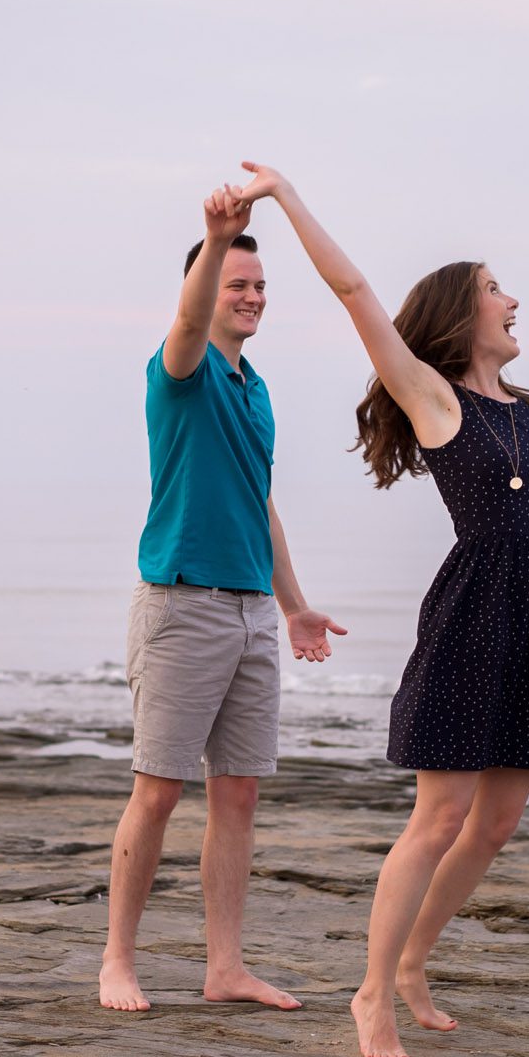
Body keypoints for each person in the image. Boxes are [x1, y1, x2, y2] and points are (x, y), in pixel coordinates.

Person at [233, 162, 529, 1057]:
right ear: (462, 316)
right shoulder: (435, 398)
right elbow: (353, 291)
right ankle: (368, 992)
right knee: (439, 816)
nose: (513, 300)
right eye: (495, 289)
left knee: (499, 820)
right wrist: (285, 197)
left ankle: (414, 966)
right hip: (474, 615)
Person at [99, 184, 348, 1014]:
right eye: (237, 285)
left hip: (248, 610)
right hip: (180, 604)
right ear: (207, 288)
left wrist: (294, 603)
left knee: (237, 792)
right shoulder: (181, 369)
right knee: (159, 788)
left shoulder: (257, 389)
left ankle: (225, 967)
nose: (251, 298)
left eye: (261, 287)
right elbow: (186, 318)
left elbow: (258, 498)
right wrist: (215, 241)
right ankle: (118, 962)